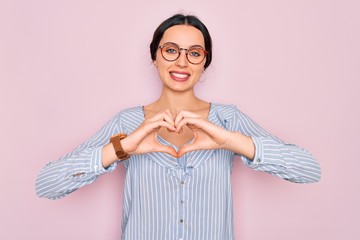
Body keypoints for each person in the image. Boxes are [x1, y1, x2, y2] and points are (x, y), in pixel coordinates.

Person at [36, 14, 321, 240]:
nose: (182, 61)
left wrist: (230, 141)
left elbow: (308, 170)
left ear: (204, 62)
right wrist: (122, 149)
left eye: (194, 53)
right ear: (155, 56)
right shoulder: (127, 123)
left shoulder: (227, 119)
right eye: (171, 50)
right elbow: (47, 185)